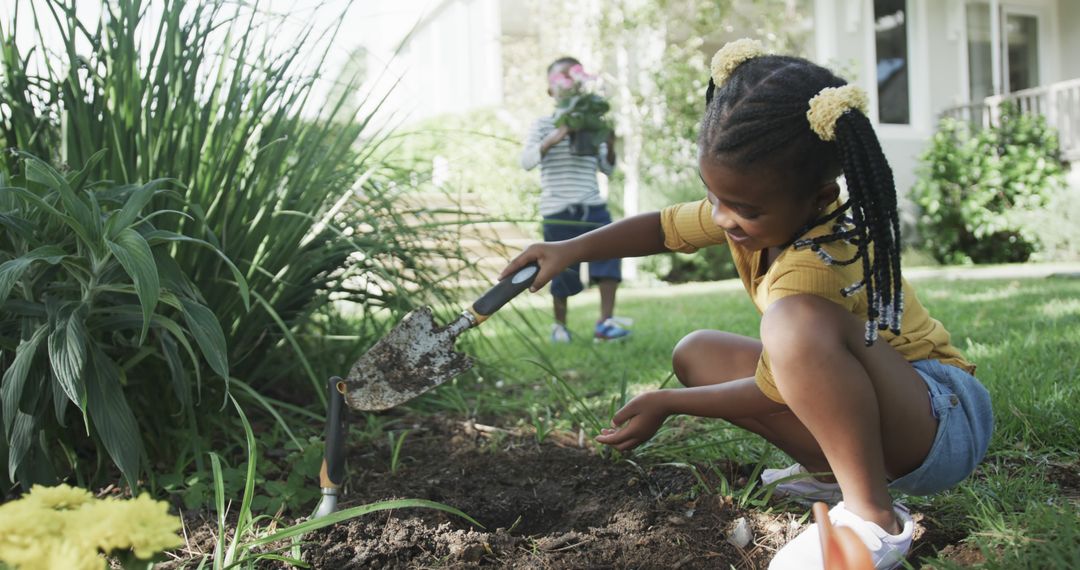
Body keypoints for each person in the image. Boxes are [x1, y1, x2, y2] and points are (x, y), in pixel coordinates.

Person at [502, 39, 993, 569]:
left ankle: (873, 518)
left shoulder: (817, 261)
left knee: (792, 328)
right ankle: (836, 478)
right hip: (895, 415)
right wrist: (569, 249)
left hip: (942, 422)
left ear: (820, 199)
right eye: (713, 197)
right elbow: (663, 229)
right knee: (698, 354)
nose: (723, 219)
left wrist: (668, 403)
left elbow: (770, 387)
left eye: (744, 209)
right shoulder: (743, 210)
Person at [520, 56, 630, 343]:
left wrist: (608, 143)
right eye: (560, 79)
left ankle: (605, 324)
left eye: (572, 77)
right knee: (561, 270)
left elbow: (607, 169)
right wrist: (556, 136)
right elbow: (527, 161)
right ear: (550, 90)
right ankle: (560, 327)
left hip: (592, 204)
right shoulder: (544, 125)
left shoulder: (591, 124)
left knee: (609, 259)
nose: (567, 83)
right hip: (558, 209)